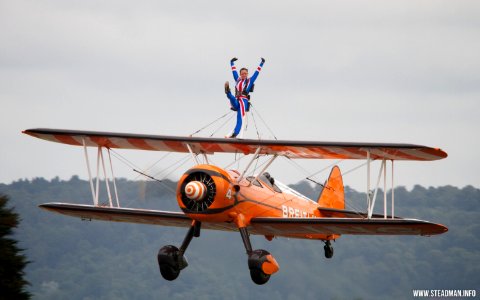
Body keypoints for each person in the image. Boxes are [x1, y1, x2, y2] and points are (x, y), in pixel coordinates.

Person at [224, 57, 265, 138]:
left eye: (245, 73)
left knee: (240, 118)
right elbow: (234, 72)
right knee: (231, 98)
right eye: (242, 73)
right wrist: (231, 62)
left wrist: (262, 63)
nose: (244, 75)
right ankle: (227, 90)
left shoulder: (250, 80)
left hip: (244, 101)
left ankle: (235, 133)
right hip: (237, 100)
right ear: (240, 74)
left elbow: (257, 73)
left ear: (247, 74)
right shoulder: (238, 80)